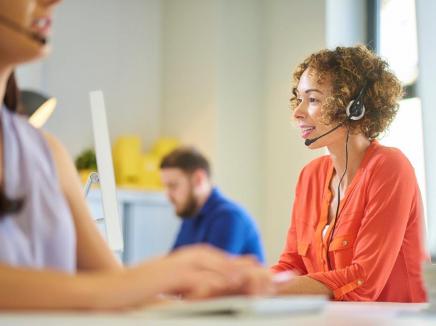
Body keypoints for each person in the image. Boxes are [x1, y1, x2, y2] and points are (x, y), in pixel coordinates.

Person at [0, 0, 273, 310]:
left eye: (172, 186)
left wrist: (194, 306)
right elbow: (115, 288)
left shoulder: (50, 154)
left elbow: (118, 289)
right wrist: (163, 276)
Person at [271, 45, 427, 302]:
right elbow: (292, 264)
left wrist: (264, 289)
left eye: (313, 100)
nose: (297, 112)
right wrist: (244, 287)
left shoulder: (390, 167)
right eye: (298, 99)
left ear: (354, 107)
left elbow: (362, 282)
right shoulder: (310, 176)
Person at [160, 147, 265, 264]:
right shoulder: (191, 215)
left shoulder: (228, 217)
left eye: (173, 186)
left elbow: (212, 277)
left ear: (198, 179)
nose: (168, 195)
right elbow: (172, 265)